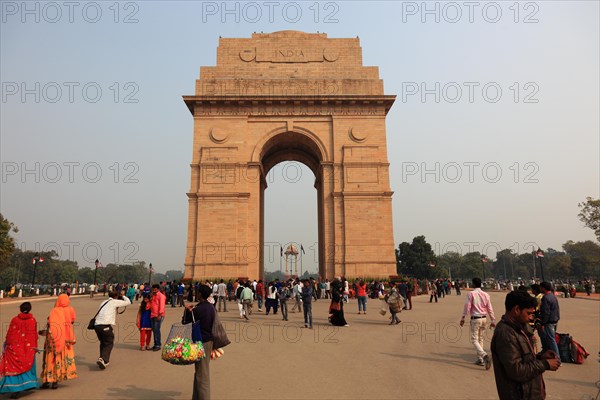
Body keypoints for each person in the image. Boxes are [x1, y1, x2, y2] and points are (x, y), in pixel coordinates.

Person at [491, 290, 560, 399]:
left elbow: (522, 358)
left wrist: (540, 357)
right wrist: (545, 364)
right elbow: (516, 370)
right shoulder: (505, 334)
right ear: (517, 310)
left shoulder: (519, 327)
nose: (530, 317)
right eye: (528, 313)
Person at [183, 284, 216, 400]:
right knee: (200, 371)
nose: (196, 293)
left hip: (200, 342)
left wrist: (187, 311)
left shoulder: (197, 309)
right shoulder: (211, 307)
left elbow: (185, 322)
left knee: (202, 374)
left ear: (200, 294)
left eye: (197, 292)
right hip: (209, 341)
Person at [0, 302, 39, 398]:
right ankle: (28, 384)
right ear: (30, 309)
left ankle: (14, 389)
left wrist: (7, 344)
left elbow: (10, 334)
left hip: (15, 349)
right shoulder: (32, 320)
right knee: (27, 364)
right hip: (28, 348)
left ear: (20, 309)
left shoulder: (15, 320)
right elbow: (34, 335)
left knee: (13, 367)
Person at [40, 294, 77, 388]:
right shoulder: (70, 309)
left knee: (50, 359)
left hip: (54, 339)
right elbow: (72, 321)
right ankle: (57, 380)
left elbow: (50, 324)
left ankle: (48, 379)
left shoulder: (55, 310)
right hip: (66, 339)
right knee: (62, 359)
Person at [460, 277, 496, 369]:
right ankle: (480, 359)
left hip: (475, 318)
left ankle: (484, 356)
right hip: (484, 318)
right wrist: (492, 320)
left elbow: (467, 306)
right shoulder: (486, 295)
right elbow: (490, 308)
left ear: (473, 284)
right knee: (480, 338)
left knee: (474, 339)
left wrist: (463, 317)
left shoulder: (471, 294)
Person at [93, 290, 131, 369]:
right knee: (109, 342)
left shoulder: (104, 302)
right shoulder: (114, 302)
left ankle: (103, 359)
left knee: (103, 342)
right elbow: (128, 302)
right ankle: (103, 359)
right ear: (116, 296)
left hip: (97, 325)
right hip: (105, 325)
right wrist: (123, 295)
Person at [539, 281, 560, 357]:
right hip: (555, 319)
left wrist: (543, 323)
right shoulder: (552, 296)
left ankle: (557, 358)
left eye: (540, 287)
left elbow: (546, 312)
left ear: (543, 288)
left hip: (549, 321)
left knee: (551, 340)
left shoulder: (545, 298)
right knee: (551, 339)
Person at [150, 284, 166, 351]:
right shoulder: (153, 295)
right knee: (154, 330)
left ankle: (158, 345)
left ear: (158, 289)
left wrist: (160, 314)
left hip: (158, 315)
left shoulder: (161, 296)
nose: (154, 290)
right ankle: (155, 343)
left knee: (156, 330)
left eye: (155, 289)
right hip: (153, 314)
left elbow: (161, 306)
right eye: (153, 289)